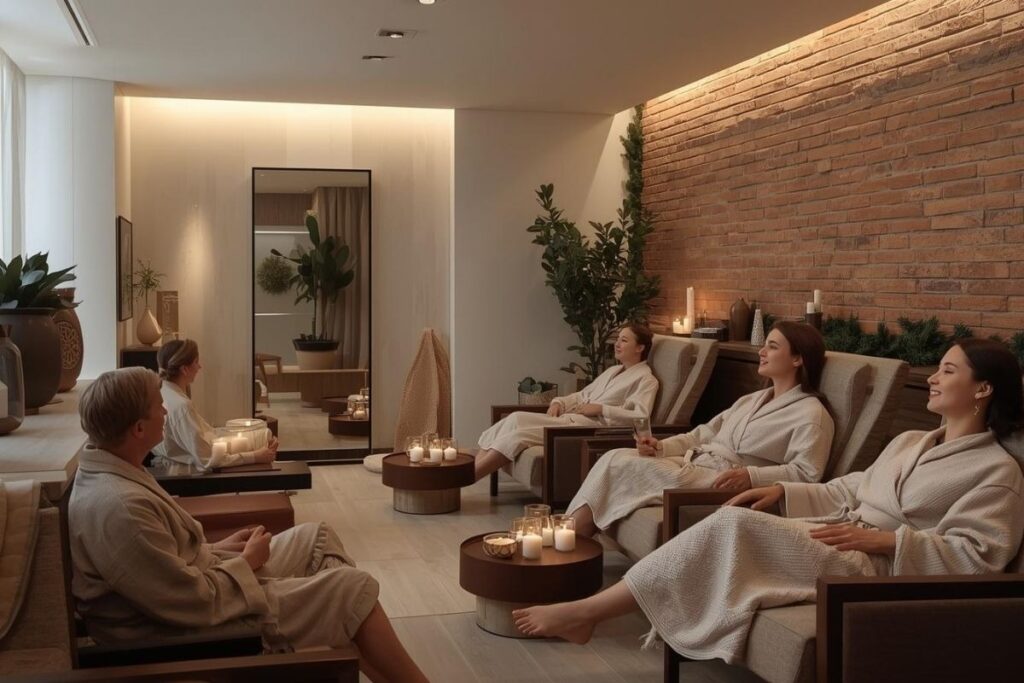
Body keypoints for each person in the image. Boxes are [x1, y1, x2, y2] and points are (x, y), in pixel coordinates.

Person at [512, 338, 1024, 667]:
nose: (932, 378)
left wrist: (888, 540)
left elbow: (979, 557)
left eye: (948, 371)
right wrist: (784, 491)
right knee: (731, 521)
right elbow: (847, 488)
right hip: (837, 530)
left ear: (983, 389)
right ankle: (588, 608)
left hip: (870, 564)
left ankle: (586, 612)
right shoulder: (911, 440)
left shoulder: (996, 471)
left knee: (730, 527)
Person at [69, 367, 429, 683]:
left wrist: (222, 548)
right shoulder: (119, 508)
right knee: (352, 587)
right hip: (189, 630)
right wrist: (246, 563)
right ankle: (334, 638)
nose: (165, 410)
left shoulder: (118, 471)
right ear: (138, 428)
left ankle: (339, 644)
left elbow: (166, 563)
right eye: (156, 404)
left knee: (316, 536)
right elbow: (191, 602)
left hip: (201, 587)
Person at [567, 321, 834, 538]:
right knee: (617, 456)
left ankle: (569, 537)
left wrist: (753, 476)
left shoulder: (811, 413)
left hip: (721, 480)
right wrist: (660, 446)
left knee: (618, 463)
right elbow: (703, 433)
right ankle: (570, 535)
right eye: (764, 345)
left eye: (772, 347)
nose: (761, 352)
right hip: (695, 463)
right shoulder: (751, 400)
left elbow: (808, 474)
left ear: (798, 358)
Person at [474, 323, 659, 481]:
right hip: (568, 419)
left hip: (588, 428)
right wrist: (559, 403)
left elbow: (641, 417)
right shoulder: (613, 371)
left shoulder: (646, 380)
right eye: (618, 339)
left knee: (517, 436)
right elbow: (581, 395)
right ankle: (463, 473)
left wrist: (601, 409)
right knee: (515, 418)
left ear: (640, 348)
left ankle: (467, 479)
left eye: (624, 340)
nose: (617, 344)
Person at [153, 338, 278, 469]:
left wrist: (256, 436)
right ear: (184, 369)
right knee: (263, 443)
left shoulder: (163, 392)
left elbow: (207, 434)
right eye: (196, 362)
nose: (199, 367)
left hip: (187, 459)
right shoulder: (181, 406)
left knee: (264, 435)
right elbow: (208, 459)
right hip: (188, 473)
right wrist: (255, 457)